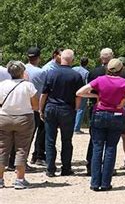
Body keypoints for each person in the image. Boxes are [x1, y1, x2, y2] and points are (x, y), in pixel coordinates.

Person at [76, 58, 125, 191]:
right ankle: (106, 183)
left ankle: (95, 183)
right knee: (111, 148)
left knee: (97, 148)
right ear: (121, 69)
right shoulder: (124, 82)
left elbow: (79, 92)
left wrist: (96, 97)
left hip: (99, 114)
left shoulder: (100, 80)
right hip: (116, 116)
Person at [40, 49, 83, 177]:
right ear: (72, 60)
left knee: (50, 139)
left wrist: (40, 109)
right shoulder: (76, 75)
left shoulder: (51, 73)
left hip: (51, 107)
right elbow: (78, 95)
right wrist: (76, 108)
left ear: (60, 58)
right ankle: (66, 168)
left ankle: (50, 168)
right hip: (67, 109)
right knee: (67, 140)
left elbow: (44, 94)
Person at [0, 61, 38, 189]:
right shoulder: (28, 86)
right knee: (21, 149)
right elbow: (35, 105)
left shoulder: (3, 85)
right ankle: (20, 179)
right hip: (24, 118)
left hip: (4, 117)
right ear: (22, 72)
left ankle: (0, 179)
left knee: (2, 148)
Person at [85, 48, 114, 175]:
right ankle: (108, 168)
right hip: (113, 108)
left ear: (100, 58)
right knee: (110, 141)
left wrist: (96, 98)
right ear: (112, 57)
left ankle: (91, 166)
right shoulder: (118, 73)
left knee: (94, 139)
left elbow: (88, 90)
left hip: (96, 107)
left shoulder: (93, 72)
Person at [25, 47, 47, 165]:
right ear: (39, 57)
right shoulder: (41, 72)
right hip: (37, 106)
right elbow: (44, 90)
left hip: (22, 105)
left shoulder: (21, 69)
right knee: (39, 132)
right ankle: (38, 156)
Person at [72, 56, 89, 134]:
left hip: (72, 92)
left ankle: (70, 126)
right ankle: (76, 128)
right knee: (80, 110)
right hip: (81, 93)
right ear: (87, 63)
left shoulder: (74, 69)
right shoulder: (86, 72)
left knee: (72, 109)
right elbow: (86, 84)